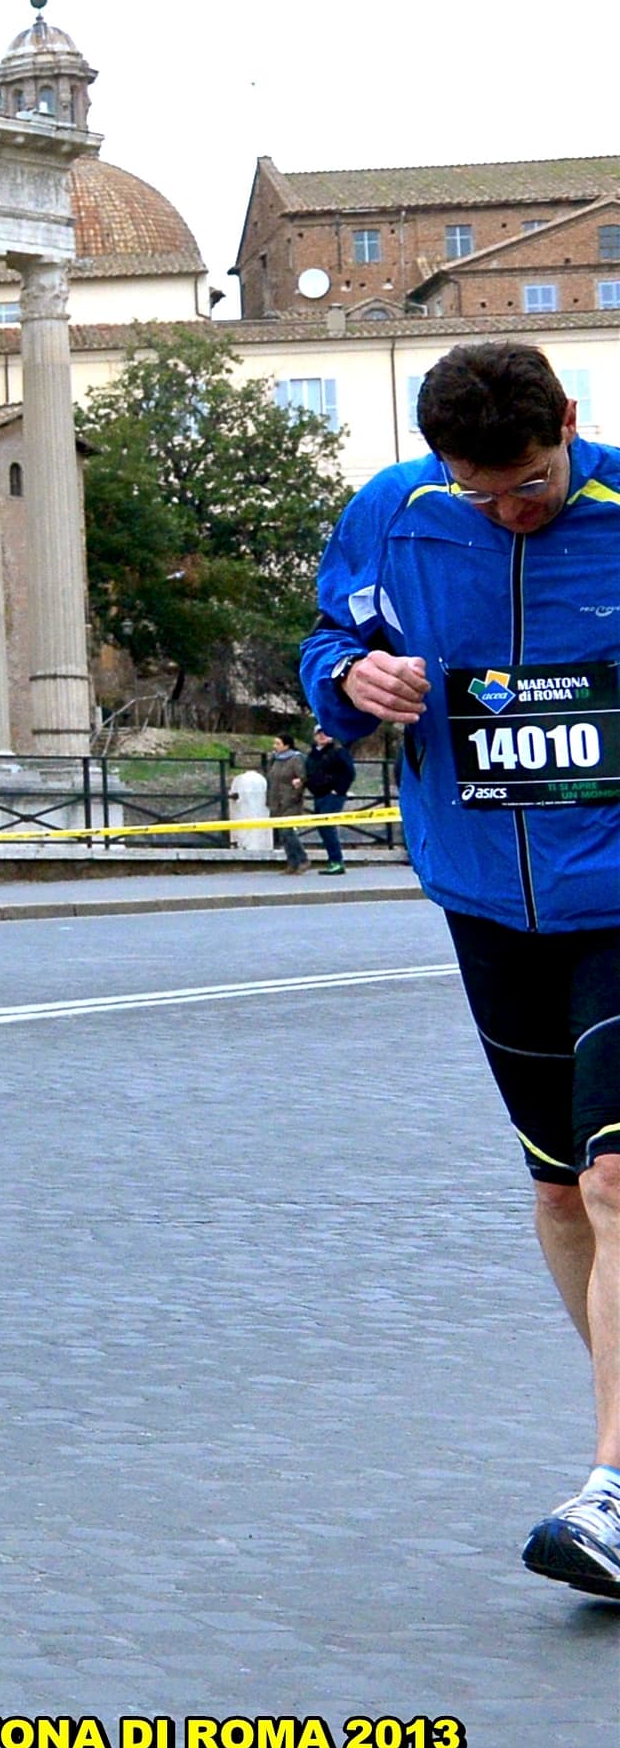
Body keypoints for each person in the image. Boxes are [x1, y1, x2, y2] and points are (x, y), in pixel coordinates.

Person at [308, 339, 620, 1597]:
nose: (507, 509)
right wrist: (352, 679)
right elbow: (327, 643)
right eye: (481, 490)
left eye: (529, 483)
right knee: (558, 1194)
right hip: (485, 893)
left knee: (615, 1178)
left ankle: (613, 1485)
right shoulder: (393, 511)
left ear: (570, 424)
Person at [304, 729, 357, 874]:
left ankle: (337, 861)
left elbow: (349, 773)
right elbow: (309, 773)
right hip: (318, 794)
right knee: (322, 828)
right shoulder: (312, 755)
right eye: (319, 734)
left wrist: (338, 790)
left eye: (325, 733)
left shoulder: (338, 752)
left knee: (327, 827)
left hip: (332, 795)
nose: (322, 736)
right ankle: (333, 860)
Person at [266, 731, 312, 872]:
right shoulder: (275, 759)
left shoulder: (296, 759)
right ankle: (292, 862)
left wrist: (295, 792)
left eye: (278, 743)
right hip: (276, 800)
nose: (275, 746)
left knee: (288, 831)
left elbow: (302, 778)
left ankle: (302, 859)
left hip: (290, 800)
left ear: (287, 745)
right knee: (282, 833)